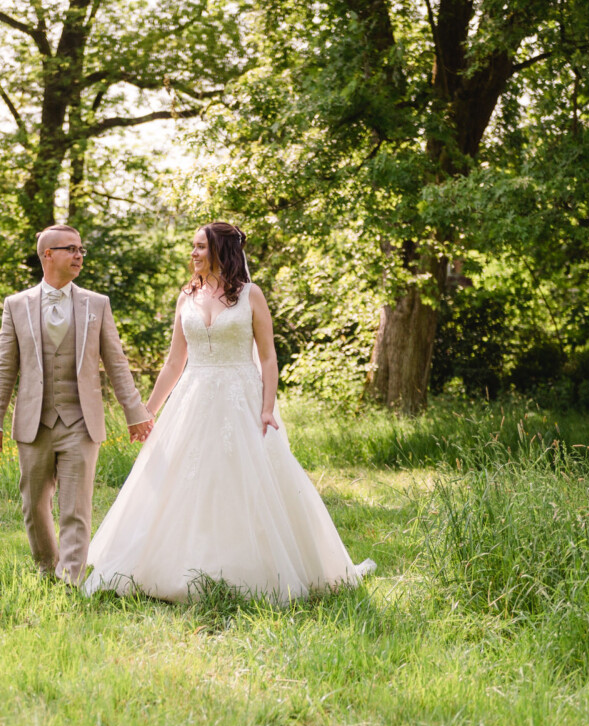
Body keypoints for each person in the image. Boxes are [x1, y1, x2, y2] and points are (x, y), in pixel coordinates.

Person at [81, 222, 376, 602]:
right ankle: (179, 567)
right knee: (184, 481)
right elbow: (174, 363)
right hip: (193, 398)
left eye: (201, 246)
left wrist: (268, 408)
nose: (194, 253)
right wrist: (146, 411)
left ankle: (255, 569)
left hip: (242, 398)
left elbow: (268, 359)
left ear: (222, 250)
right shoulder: (186, 296)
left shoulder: (251, 295)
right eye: (193, 246)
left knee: (245, 481)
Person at [0, 224, 154, 585]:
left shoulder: (97, 304)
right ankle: (47, 568)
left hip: (81, 421)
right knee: (33, 506)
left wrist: (135, 413)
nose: (79, 256)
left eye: (81, 250)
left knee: (75, 507)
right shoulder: (16, 306)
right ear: (48, 255)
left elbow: (117, 363)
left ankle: (70, 579)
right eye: (71, 249)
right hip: (34, 421)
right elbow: (4, 368)